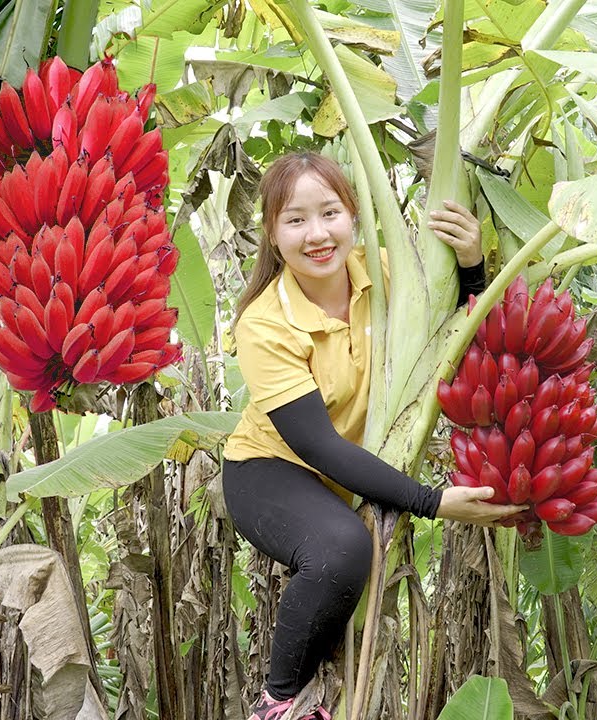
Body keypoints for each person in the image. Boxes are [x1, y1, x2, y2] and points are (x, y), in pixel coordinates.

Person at [222, 152, 526, 720]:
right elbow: (319, 446)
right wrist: (432, 502)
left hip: (353, 471)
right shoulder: (264, 324)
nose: (317, 234)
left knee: (345, 547)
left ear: (353, 214)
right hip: (269, 470)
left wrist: (471, 265)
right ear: (273, 233)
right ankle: (278, 702)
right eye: (295, 220)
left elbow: (465, 337)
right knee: (340, 550)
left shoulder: (389, 275)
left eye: (329, 213)